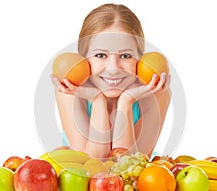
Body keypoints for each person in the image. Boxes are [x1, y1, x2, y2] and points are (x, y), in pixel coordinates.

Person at [51, 3, 171, 159]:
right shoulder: (70, 89)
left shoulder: (156, 92)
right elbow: (92, 165)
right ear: (82, 57)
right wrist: (97, 100)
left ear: (140, 58)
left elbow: (126, 168)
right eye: (100, 55)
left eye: (126, 56)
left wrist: (126, 102)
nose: (113, 68)